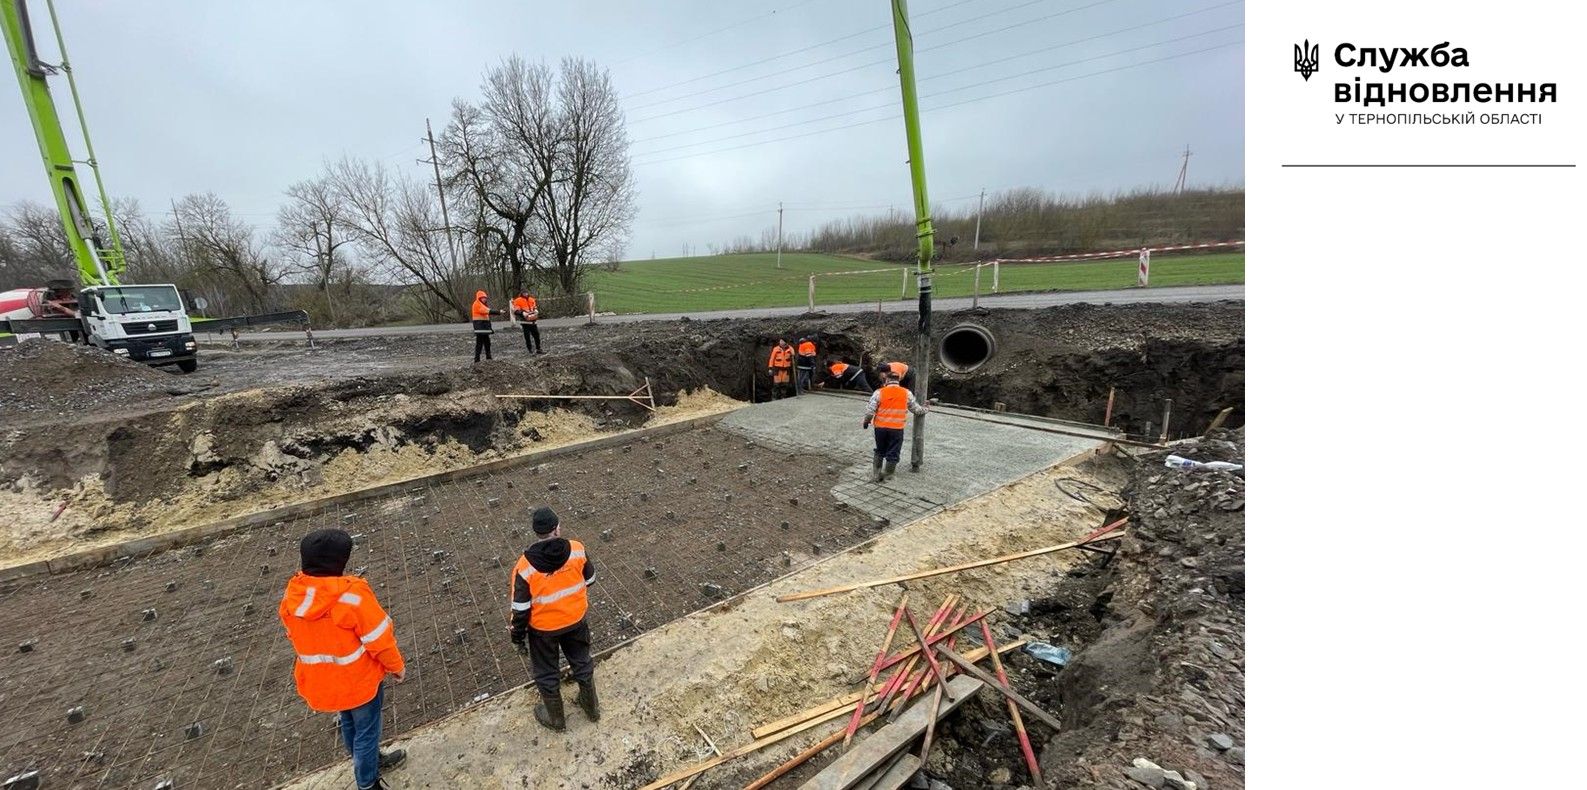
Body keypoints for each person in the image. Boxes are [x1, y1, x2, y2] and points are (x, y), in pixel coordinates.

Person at [279, 529, 407, 790]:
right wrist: (397, 667)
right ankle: (368, 782)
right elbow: (379, 639)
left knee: (349, 724)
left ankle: (368, 762)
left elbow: (294, 634)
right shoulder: (352, 596)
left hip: (324, 682)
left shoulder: (293, 596)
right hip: (358, 682)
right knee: (367, 731)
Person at [510, 507, 599, 731]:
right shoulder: (577, 549)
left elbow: (520, 609)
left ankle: (557, 720)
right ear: (557, 528)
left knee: (546, 673)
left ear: (536, 532)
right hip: (575, 620)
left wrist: (517, 637)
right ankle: (592, 708)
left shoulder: (524, 566)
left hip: (543, 631)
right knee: (582, 661)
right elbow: (590, 579)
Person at [863, 368, 929, 482]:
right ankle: (888, 475)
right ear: (898, 380)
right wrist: (926, 408)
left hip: (880, 428)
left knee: (879, 450)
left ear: (887, 380)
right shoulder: (906, 393)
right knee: (893, 451)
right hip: (896, 429)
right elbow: (917, 410)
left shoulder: (879, 392)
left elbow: (870, 411)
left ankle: (876, 473)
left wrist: (866, 421)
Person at [471, 290, 504, 363]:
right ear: (479, 298)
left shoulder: (482, 304)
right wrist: (498, 312)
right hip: (480, 327)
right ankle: (477, 359)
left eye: (485, 298)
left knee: (487, 342)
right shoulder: (477, 304)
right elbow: (487, 311)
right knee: (480, 343)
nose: (484, 299)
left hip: (483, 327)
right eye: (483, 298)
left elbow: (486, 311)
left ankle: (488, 357)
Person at [511, 289, 542, 355]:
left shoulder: (532, 299)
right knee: (527, 336)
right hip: (524, 321)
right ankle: (530, 350)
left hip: (533, 320)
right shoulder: (518, 300)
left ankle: (538, 349)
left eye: (526, 293)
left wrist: (535, 310)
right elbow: (516, 311)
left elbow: (534, 307)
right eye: (524, 293)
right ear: (521, 293)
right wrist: (522, 313)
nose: (525, 294)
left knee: (536, 335)